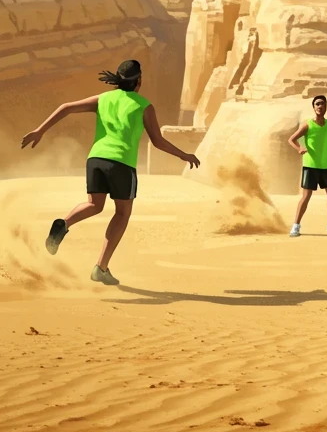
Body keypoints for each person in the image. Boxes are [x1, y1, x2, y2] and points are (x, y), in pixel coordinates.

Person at [21, 59, 200, 285]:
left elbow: (66, 107)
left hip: (96, 159)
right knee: (122, 213)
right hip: (122, 163)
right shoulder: (144, 106)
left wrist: (40, 130)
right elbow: (158, 142)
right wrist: (184, 155)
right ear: (139, 81)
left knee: (94, 205)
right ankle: (101, 267)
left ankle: (64, 224)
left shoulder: (103, 99)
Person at [287, 95, 327, 237]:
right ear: (314, 107)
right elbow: (291, 139)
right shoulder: (308, 124)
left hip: (325, 166)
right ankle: (296, 226)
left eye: (323, 104)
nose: (320, 106)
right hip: (310, 165)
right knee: (306, 196)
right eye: (317, 104)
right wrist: (299, 149)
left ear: (326, 106)